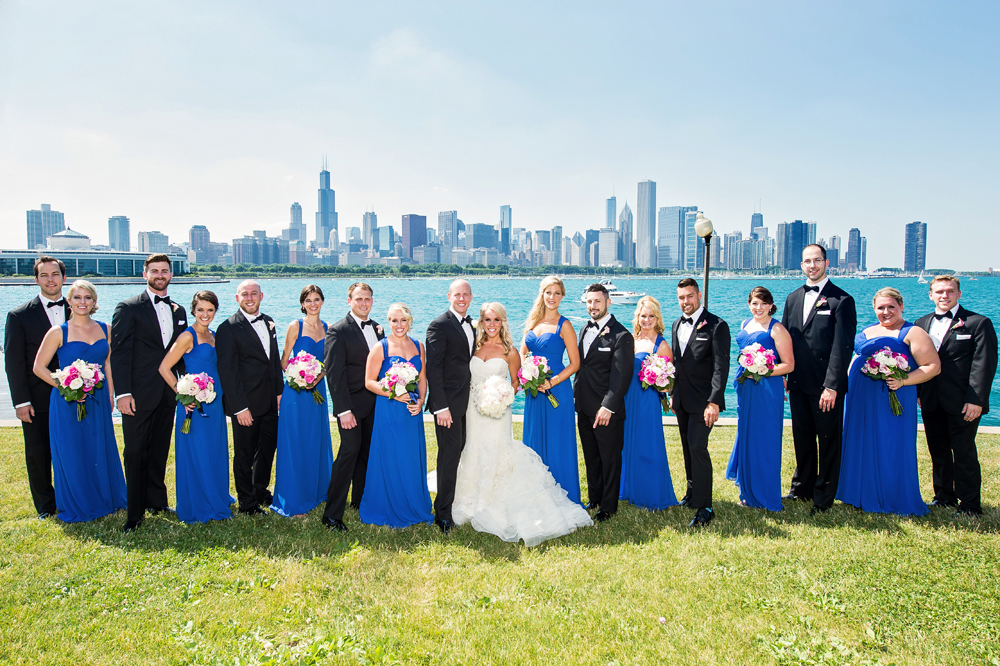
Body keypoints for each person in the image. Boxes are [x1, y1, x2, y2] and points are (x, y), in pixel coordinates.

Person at [454, 303, 592, 545]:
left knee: (497, 451)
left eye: (497, 320)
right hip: (473, 409)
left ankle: (494, 500)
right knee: (474, 447)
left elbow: (516, 384)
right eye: (487, 320)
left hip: (497, 411)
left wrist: (501, 395)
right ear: (481, 322)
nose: (492, 324)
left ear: (503, 322)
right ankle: (468, 498)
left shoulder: (510, 351)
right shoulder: (472, 347)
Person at [837, 288, 940, 516]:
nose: (886, 312)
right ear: (874, 309)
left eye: (891, 306)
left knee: (891, 443)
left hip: (894, 395)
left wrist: (904, 381)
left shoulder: (913, 332)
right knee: (861, 439)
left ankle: (892, 495)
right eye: (881, 308)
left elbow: (933, 366)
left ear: (901, 306)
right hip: (861, 396)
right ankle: (858, 494)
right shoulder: (867, 330)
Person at [33, 280, 126, 522]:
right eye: (77, 297)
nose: (82, 302)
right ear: (69, 301)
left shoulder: (106, 329)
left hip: (98, 399)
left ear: (94, 302)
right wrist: (66, 385)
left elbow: (108, 364)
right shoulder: (58, 332)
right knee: (72, 449)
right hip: (67, 401)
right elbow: (39, 367)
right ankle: (78, 501)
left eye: (87, 298)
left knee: (99, 446)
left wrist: (112, 396)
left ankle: (106, 497)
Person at [111, 253, 189, 532]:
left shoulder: (179, 311)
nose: (159, 275)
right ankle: (134, 513)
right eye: (154, 270)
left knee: (159, 449)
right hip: (138, 394)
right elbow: (119, 355)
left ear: (171, 275)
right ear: (145, 274)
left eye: (164, 271)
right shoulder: (128, 308)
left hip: (168, 393)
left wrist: (187, 386)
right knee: (134, 451)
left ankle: (156, 501)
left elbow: (178, 355)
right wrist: (123, 394)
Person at [781, 244, 857, 515]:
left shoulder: (842, 300)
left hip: (826, 385)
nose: (812, 265)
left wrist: (832, 385)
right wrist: (785, 376)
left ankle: (823, 497)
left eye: (817, 260)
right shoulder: (792, 298)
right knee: (802, 438)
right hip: (798, 383)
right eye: (806, 261)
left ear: (826, 264)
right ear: (801, 265)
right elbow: (787, 340)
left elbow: (842, 346)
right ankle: (801, 488)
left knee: (827, 440)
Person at [915, 276, 997, 517]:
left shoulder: (978, 323)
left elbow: (984, 365)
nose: (944, 296)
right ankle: (943, 496)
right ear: (930, 295)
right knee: (938, 450)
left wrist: (977, 400)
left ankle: (970, 504)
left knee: (964, 452)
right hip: (931, 399)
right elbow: (917, 361)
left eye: (950, 291)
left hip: (964, 401)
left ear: (959, 294)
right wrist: (919, 392)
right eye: (939, 291)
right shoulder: (921, 323)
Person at [158, 291, 234, 524]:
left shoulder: (214, 335)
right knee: (197, 452)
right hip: (194, 405)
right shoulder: (187, 337)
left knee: (214, 450)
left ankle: (217, 495)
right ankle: (199, 503)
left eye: (210, 310)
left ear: (215, 311)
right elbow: (164, 368)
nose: (205, 314)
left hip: (214, 403)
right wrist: (184, 394)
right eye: (200, 309)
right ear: (193, 310)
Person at [4, 256, 70, 519]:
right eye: (44, 275)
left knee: (71, 449)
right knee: (38, 453)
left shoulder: (80, 307)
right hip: (37, 398)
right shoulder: (19, 316)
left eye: (55, 274)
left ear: (64, 278)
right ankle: (45, 506)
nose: (51, 279)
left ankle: (73, 498)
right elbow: (14, 363)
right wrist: (21, 402)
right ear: (36, 280)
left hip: (78, 397)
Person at [358, 303, 433, 528]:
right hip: (389, 408)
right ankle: (386, 503)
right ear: (388, 322)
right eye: (393, 320)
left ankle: (413, 501)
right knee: (390, 454)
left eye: (403, 320)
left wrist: (420, 401)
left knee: (410, 455)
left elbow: (422, 378)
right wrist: (393, 392)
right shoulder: (380, 348)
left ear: (410, 321)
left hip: (411, 412)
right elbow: (369, 382)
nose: (398, 325)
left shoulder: (419, 345)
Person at [216, 279, 283, 516]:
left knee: (267, 450)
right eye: (245, 294)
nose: (250, 298)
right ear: (237, 298)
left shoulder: (269, 322)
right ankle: (246, 502)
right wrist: (239, 407)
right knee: (245, 454)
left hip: (269, 403)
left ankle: (261, 491)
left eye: (254, 294)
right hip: (245, 404)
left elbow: (273, 361)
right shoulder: (228, 328)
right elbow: (228, 372)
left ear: (261, 296)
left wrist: (279, 393)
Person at [322, 282, 385, 532]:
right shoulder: (338, 330)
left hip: (375, 405)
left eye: (367, 299)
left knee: (366, 454)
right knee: (347, 455)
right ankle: (332, 515)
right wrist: (343, 410)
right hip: (351, 407)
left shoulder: (378, 329)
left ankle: (359, 501)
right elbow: (334, 376)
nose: (363, 303)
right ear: (349, 300)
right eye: (358, 299)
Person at [725, 287, 794, 512]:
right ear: (749, 304)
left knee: (765, 439)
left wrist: (761, 369)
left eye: (764, 304)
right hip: (746, 387)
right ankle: (746, 493)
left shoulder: (777, 329)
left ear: (771, 305)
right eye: (755, 303)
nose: (759, 308)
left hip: (767, 389)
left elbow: (789, 365)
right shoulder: (745, 324)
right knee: (747, 437)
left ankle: (765, 495)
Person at [670, 278, 730, 527]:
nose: (686, 302)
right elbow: (676, 364)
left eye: (690, 296)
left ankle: (705, 506)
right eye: (682, 297)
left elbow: (720, 367)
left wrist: (714, 402)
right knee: (687, 447)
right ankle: (692, 494)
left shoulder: (717, 325)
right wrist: (672, 394)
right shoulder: (675, 325)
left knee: (697, 447)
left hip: (704, 402)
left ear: (700, 295)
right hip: (682, 401)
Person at [271, 285, 333, 517]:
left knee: (315, 440)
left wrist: (317, 377)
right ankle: (294, 499)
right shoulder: (294, 326)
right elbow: (284, 360)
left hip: (317, 392)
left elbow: (327, 362)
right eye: (308, 300)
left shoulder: (328, 328)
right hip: (296, 393)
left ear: (322, 301)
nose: (313, 303)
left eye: (317, 299)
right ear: (302, 303)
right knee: (295, 442)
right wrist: (298, 376)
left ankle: (317, 492)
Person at [574, 283, 634, 522]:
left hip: (606, 410)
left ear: (608, 302)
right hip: (584, 406)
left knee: (609, 458)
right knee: (591, 456)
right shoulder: (583, 330)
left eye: (597, 301)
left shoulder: (622, 335)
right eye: (589, 301)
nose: (593, 306)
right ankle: (595, 498)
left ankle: (608, 506)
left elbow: (622, 376)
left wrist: (608, 406)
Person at [520, 276, 581, 504]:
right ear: (542, 294)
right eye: (548, 293)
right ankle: (535, 497)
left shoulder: (564, 325)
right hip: (534, 393)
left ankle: (562, 496)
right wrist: (524, 376)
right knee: (534, 442)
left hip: (556, 391)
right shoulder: (532, 323)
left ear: (562, 296)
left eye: (557, 293)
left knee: (557, 443)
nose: (552, 297)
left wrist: (552, 382)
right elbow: (521, 354)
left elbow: (575, 363)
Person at [425, 279, 474, 534]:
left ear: (471, 297)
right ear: (449, 296)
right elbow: (432, 368)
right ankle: (442, 514)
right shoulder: (439, 325)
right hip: (447, 408)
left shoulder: (471, 325)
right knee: (448, 457)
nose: (462, 298)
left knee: (459, 452)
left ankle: (453, 503)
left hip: (466, 405)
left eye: (466, 294)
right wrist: (440, 407)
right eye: (457, 294)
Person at [619, 296, 678, 511]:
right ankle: (629, 488)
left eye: (651, 316)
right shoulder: (631, 339)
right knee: (627, 443)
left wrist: (662, 385)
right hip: (627, 397)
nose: (647, 320)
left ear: (657, 318)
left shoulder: (661, 345)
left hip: (647, 401)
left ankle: (650, 492)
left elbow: (669, 381)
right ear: (638, 317)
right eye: (643, 315)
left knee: (647, 443)